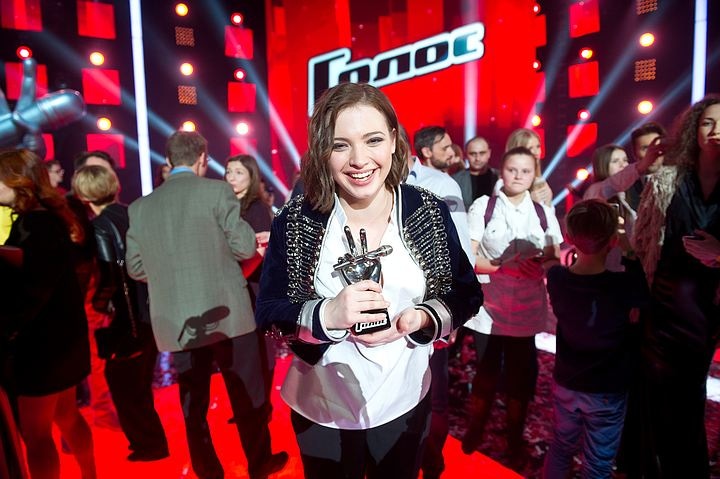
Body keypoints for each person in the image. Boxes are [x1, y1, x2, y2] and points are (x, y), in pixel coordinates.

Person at [255, 82, 482, 479]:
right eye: (340, 145)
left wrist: (424, 317)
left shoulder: (426, 209)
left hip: (406, 398)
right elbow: (269, 311)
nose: (359, 160)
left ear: (394, 141)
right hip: (322, 406)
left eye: (373, 140)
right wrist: (326, 315)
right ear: (322, 150)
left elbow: (466, 291)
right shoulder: (296, 219)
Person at [125, 131, 287, 479]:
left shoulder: (140, 207)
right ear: (202, 158)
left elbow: (136, 268)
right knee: (247, 394)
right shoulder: (217, 192)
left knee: (193, 403)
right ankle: (259, 464)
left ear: (169, 161)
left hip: (177, 320)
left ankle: (207, 470)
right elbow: (243, 247)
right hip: (229, 312)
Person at [632, 95, 720, 477]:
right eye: (708, 122)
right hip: (664, 299)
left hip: (707, 305)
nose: (715, 131)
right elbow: (642, 241)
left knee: (689, 393)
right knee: (658, 393)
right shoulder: (668, 179)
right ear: (694, 129)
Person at [461, 147, 562, 471]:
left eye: (525, 171)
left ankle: (515, 438)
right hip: (489, 308)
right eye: (512, 169)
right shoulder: (484, 206)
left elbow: (554, 257)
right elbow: (468, 256)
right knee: (486, 372)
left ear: (534, 175)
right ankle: (475, 428)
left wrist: (542, 264)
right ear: (502, 171)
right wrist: (499, 266)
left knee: (521, 377)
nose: (518, 176)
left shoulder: (542, 211)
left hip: (527, 309)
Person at [0, 149, 96, 479]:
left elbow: (35, 285)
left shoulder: (34, 223)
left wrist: (9, 328)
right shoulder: (51, 217)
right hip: (64, 337)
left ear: (18, 182)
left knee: (36, 434)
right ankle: (90, 475)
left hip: (42, 344)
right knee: (67, 416)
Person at [542, 199, 648, 478]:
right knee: (598, 462)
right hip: (607, 388)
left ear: (568, 238)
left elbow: (550, 264)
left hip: (567, 381)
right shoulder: (625, 285)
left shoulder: (557, 279)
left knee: (561, 447)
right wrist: (628, 249)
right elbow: (643, 290)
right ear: (612, 241)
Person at [72, 165, 169, 461]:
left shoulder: (100, 226)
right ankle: (150, 442)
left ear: (83, 194)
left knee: (124, 384)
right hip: (151, 310)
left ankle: (149, 445)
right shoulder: (133, 213)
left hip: (126, 318)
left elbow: (110, 275)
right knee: (139, 384)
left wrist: (99, 306)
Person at [405, 125, 473, 479]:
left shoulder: (441, 184)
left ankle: (432, 465)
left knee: (434, 392)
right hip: (386, 312)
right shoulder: (369, 183)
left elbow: (460, 247)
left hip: (431, 308)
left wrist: (454, 309)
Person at [224, 154, 276, 397]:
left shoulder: (256, 207)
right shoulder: (226, 206)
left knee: (258, 349)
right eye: (228, 172)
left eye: (238, 172)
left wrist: (234, 279)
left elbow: (258, 254)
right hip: (235, 285)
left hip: (252, 286)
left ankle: (261, 402)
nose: (231, 177)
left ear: (251, 177)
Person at [505, 128, 553, 206]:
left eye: (538, 147)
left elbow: (548, 212)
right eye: (530, 148)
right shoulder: (504, 184)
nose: (536, 152)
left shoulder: (539, 181)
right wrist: (531, 202)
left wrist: (548, 202)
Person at [626, 122, 667, 210]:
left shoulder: (680, 183)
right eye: (645, 148)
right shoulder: (626, 188)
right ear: (634, 154)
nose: (652, 153)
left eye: (657, 147)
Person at [452, 136, 498, 210]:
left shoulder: (499, 177)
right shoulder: (455, 180)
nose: (477, 158)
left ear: (489, 153)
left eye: (482, 153)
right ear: (466, 155)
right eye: (473, 154)